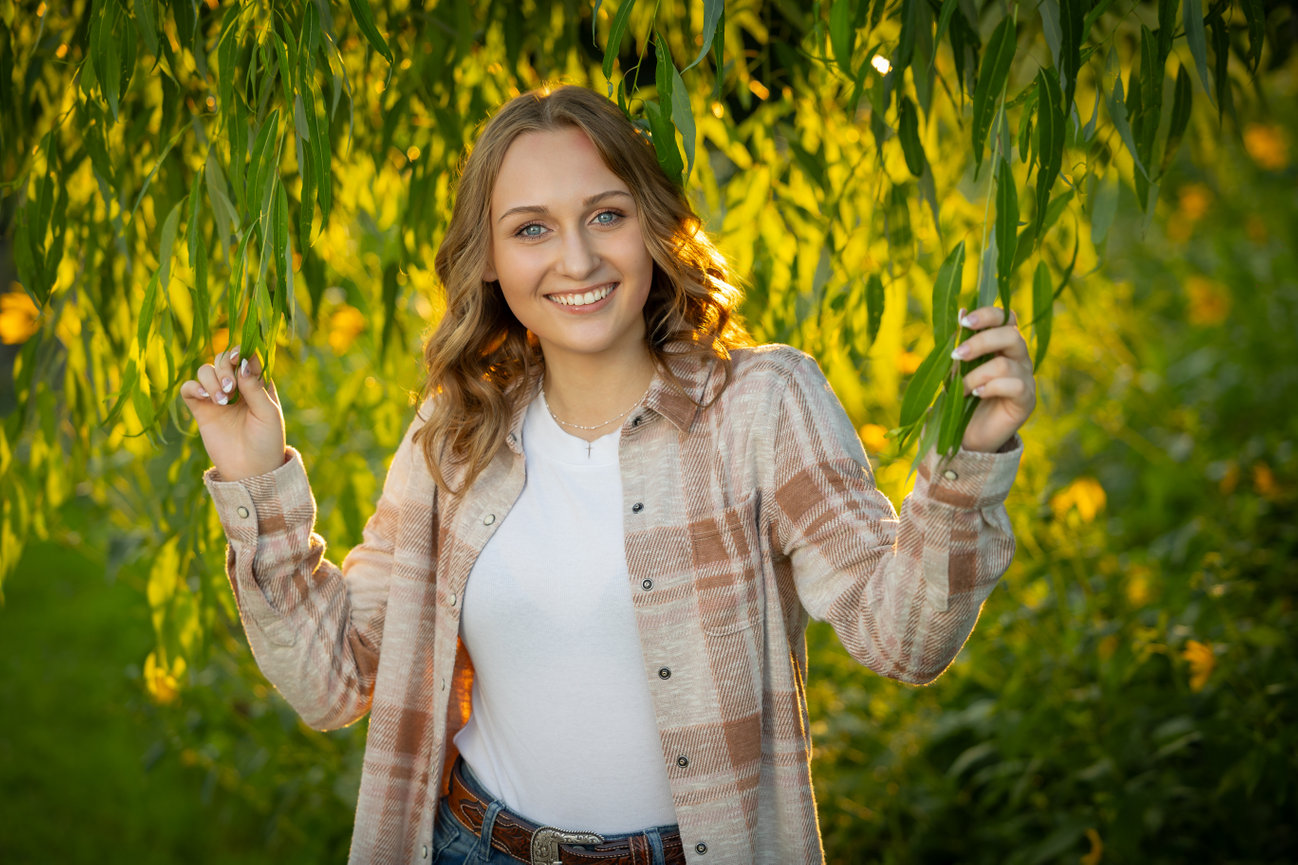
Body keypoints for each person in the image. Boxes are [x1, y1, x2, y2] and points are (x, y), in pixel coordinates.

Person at [182, 85, 1035, 865]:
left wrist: (974, 458)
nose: (578, 260)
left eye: (606, 215)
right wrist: (257, 480)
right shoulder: (456, 435)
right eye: (531, 228)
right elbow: (334, 680)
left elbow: (905, 638)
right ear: (488, 259)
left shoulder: (760, 406)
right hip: (473, 845)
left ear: (654, 226)